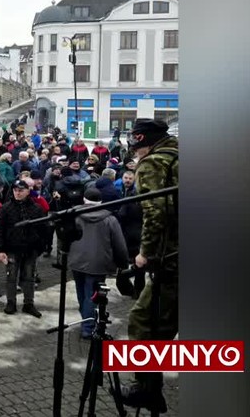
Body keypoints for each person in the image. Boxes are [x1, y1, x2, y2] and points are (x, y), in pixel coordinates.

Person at [120, 119, 179, 412]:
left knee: (144, 320)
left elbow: (156, 213)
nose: (136, 156)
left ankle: (147, 387)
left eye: (137, 148)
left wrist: (145, 253)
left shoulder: (153, 164)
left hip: (174, 259)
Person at [69, 187, 130, 339]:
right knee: (92, 295)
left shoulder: (74, 215)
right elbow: (119, 243)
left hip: (77, 260)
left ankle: (86, 320)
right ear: (101, 201)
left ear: (84, 200)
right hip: (98, 262)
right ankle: (88, 327)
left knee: (82, 293)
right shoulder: (109, 219)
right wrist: (123, 263)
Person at [0, 180, 48, 317]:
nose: (18, 193)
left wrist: (40, 247)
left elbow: (43, 229)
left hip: (30, 249)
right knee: (11, 276)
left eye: (21, 190)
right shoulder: (5, 208)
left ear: (28, 191)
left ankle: (28, 303)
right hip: (12, 248)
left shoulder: (36, 208)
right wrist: (0, 249)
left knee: (29, 277)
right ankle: (11, 302)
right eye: (15, 190)